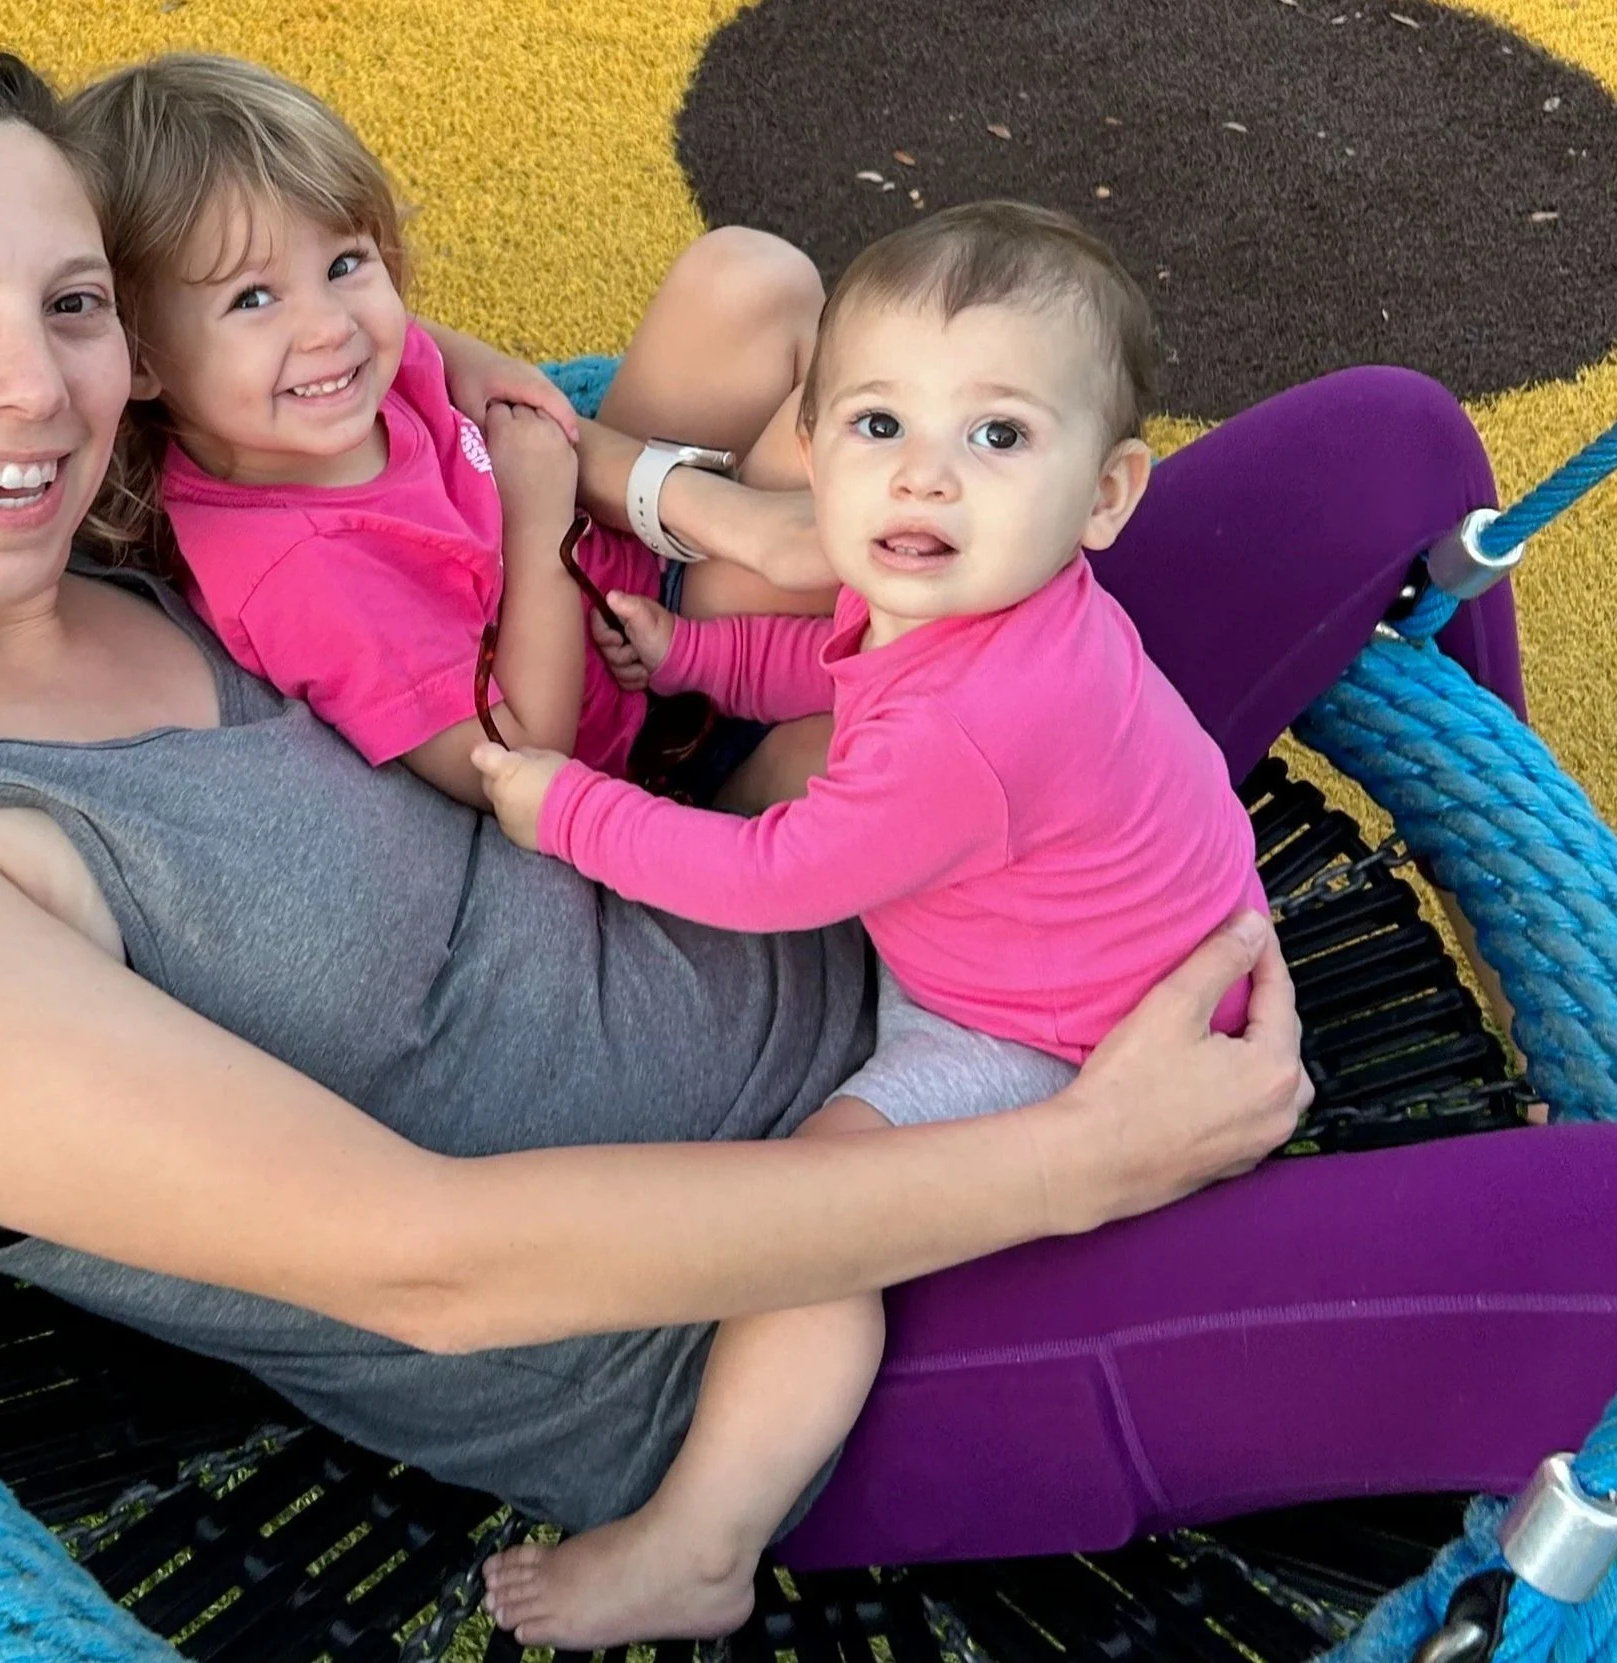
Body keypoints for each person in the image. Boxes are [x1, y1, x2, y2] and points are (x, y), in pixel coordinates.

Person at [0, 39, 1617, 1655]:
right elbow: (429, 1261)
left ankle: (1501, 1084)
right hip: (792, 1316)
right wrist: (1086, 1157)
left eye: (67, 306)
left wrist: (505, 403)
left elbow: (360, 376)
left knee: (1380, 450)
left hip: (894, 917)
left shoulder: (101, 543)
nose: (29, 383)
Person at [469, 201, 1275, 1642]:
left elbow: (770, 873)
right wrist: (696, 652)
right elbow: (847, 663)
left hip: (1066, 1034)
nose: (926, 476)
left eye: (999, 436)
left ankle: (702, 1540)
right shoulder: (982, 607)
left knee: (817, 1215)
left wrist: (562, 809)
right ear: (819, 442)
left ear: (1107, 493)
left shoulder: (981, 722)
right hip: (1097, 946)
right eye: (879, 424)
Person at [64, 53, 840, 810]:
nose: (330, 327)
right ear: (136, 358)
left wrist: (479, 366)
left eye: (343, 264)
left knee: (750, 277)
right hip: (648, 708)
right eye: (253, 299)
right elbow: (523, 757)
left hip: (611, 553)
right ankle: (742, 779)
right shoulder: (304, 577)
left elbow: (408, 338)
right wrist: (538, 525)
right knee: (861, 464)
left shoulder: (299, 392)